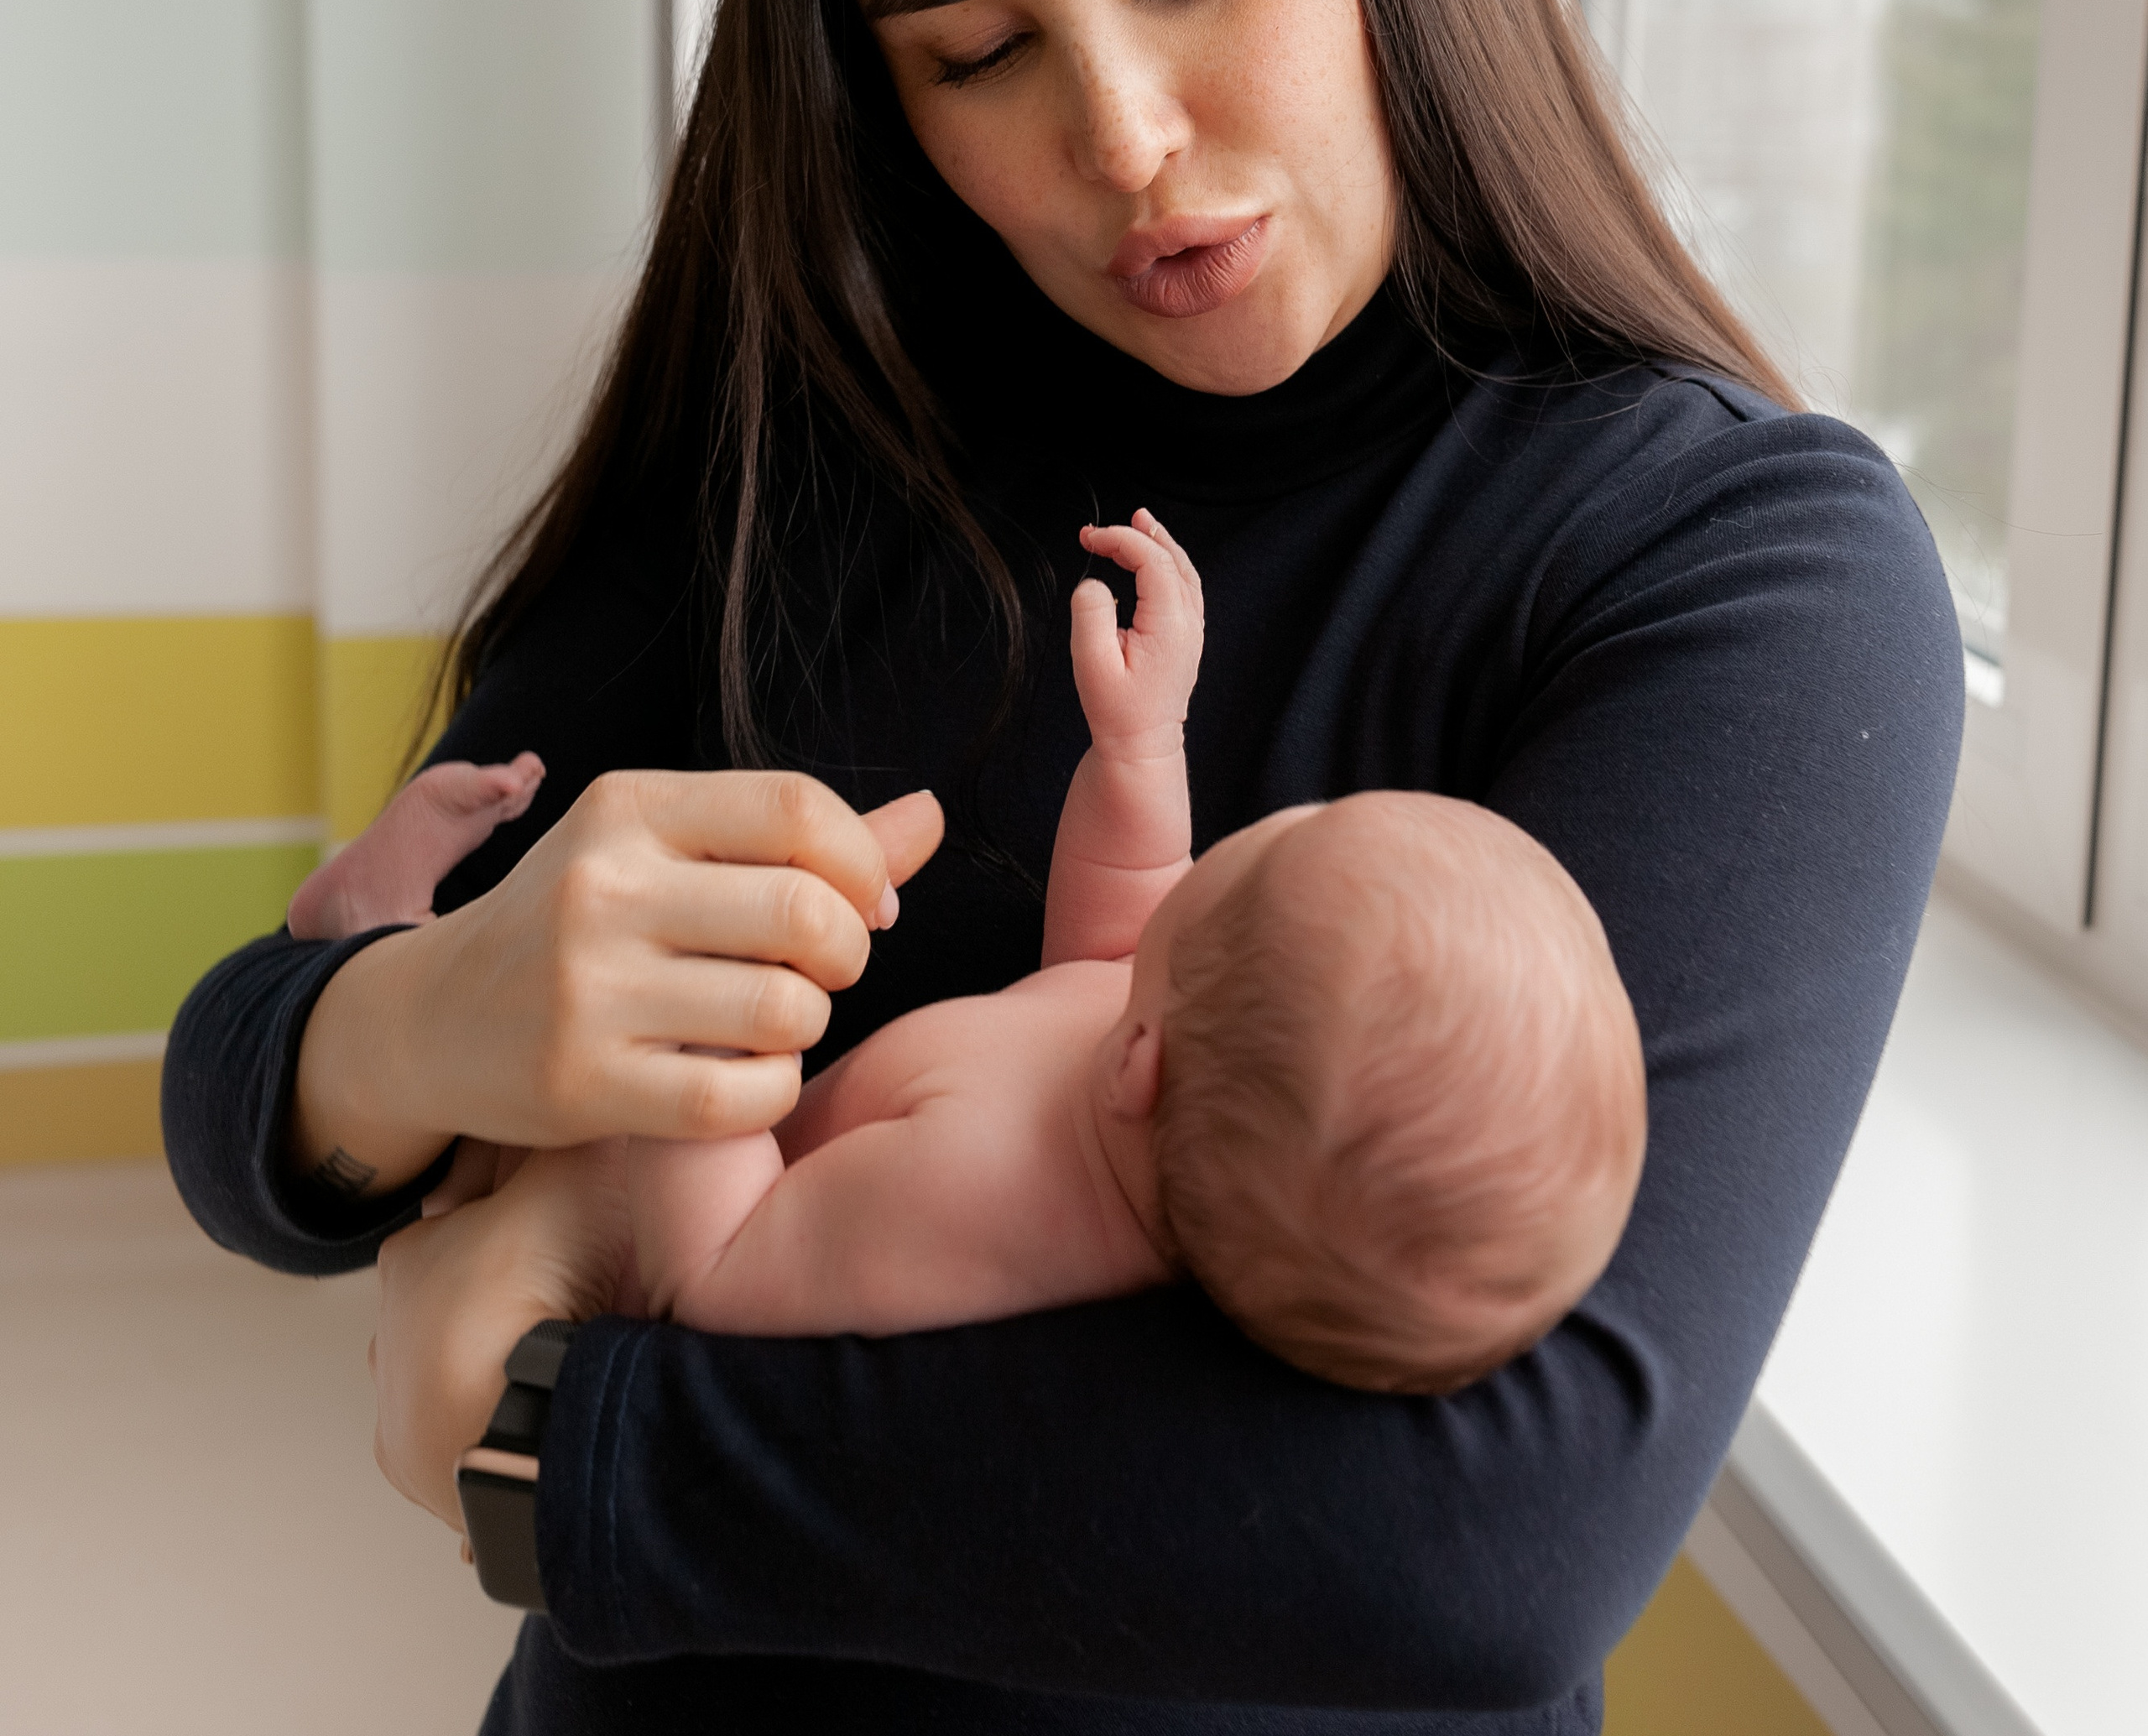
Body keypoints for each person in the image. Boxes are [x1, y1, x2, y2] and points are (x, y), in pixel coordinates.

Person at [162, 0, 1962, 1736]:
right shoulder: (796, 461)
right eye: (977, 55)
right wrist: (416, 1036)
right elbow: (266, 1121)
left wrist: (578, 1441)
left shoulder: (1727, 577)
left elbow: (1485, 1538)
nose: (1121, 140)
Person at [295, 515, 1646, 1388]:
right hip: (713, 1152)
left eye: (1290, 840)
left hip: (639, 1228)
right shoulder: (1152, 1074)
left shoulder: (981, 1205)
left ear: (1145, 1063)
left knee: (511, 1135)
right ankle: (390, 951)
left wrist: (712, 1038)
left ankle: (373, 935)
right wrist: (1141, 746)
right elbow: (1120, 926)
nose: (1283, 811)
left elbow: (728, 1274)